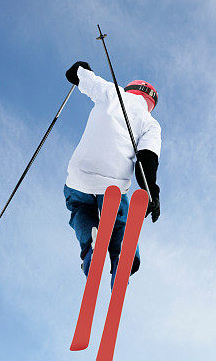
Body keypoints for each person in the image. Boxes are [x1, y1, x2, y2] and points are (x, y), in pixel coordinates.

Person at [64, 61, 161, 288]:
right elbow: (147, 160)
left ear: (130, 89)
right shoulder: (151, 123)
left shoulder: (111, 91)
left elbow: (77, 75)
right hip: (113, 184)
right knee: (120, 221)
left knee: (80, 208)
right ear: (151, 104)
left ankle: (91, 247)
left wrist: (81, 69)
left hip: (79, 176)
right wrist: (151, 193)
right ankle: (121, 261)